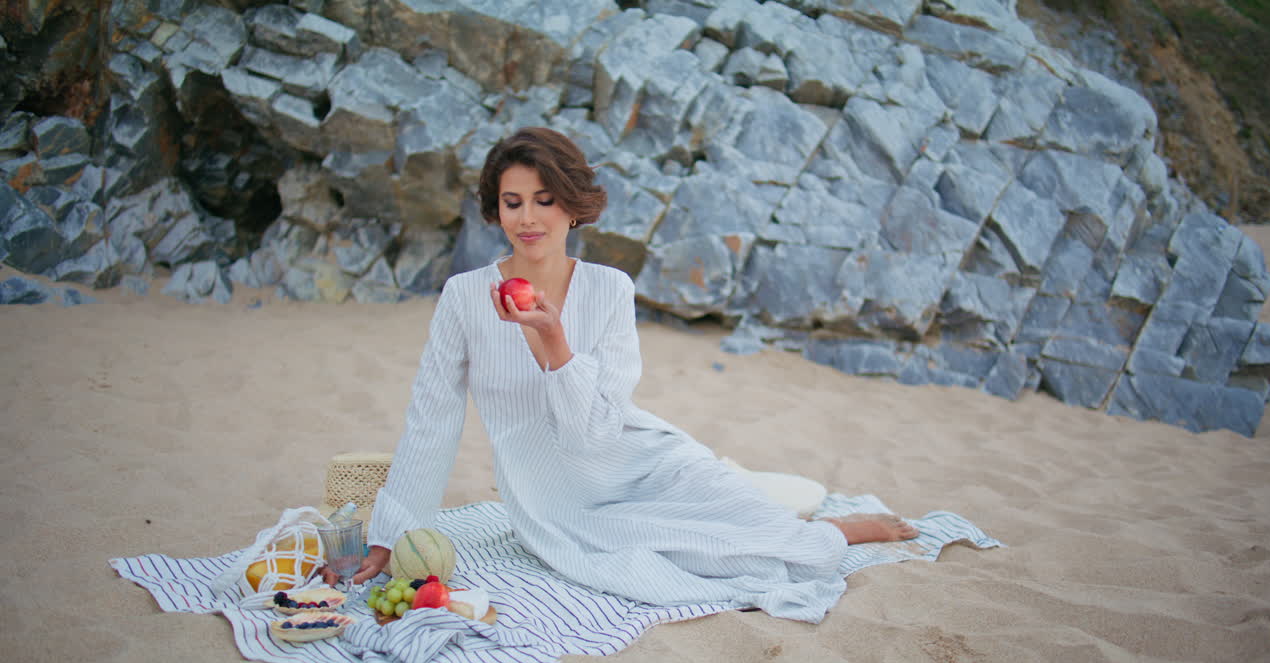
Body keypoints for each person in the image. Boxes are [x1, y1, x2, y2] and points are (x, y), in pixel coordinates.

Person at [323, 127, 917, 622]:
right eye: (512, 202)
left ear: (573, 206)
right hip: (555, 501)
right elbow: (433, 418)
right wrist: (388, 533)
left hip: (636, 458)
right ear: (495, 208)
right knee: (714, 560)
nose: (528, 218)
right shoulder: (463, 297)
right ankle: (818, 526)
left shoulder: (609, 289)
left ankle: (834, 527)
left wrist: (552, 339)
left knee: (744, 513)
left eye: (545, 200)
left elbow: (598, 432)